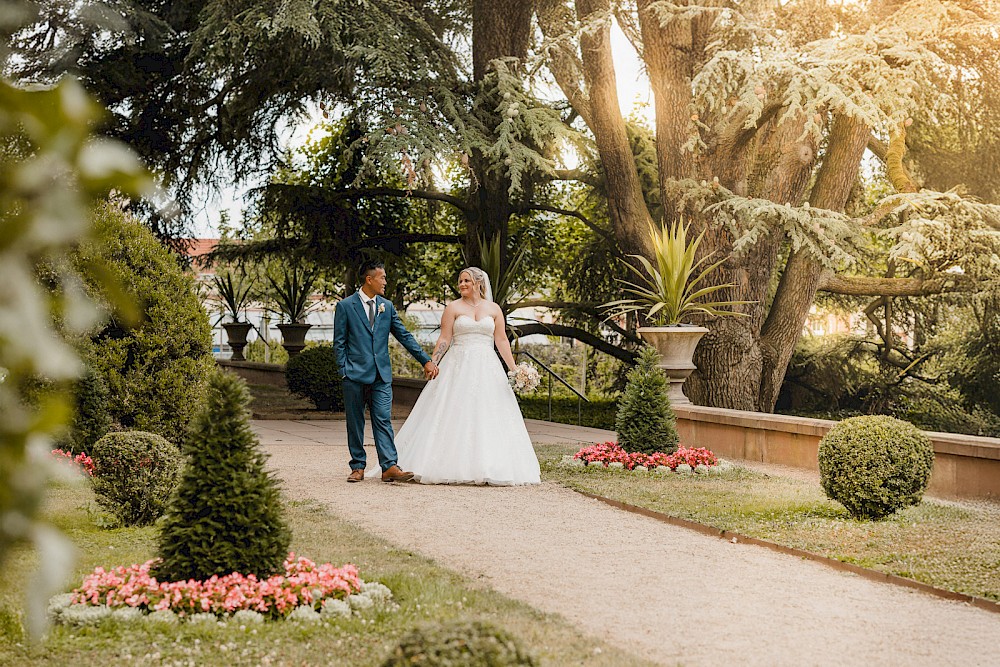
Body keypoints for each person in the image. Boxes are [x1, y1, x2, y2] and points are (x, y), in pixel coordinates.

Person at [396, 267, 541, 485]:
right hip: (458, 364)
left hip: (487, 366)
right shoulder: (453, 308)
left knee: (488, 413)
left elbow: (500, 340)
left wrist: (514, 369)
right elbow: (445, 338)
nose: (462, 284)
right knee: (453, 411)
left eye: (467, 281)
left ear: (478, 283)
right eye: (460, 281)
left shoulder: (493, 309)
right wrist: (433, 363)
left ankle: (489, 465)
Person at [333, 260, 439, 483]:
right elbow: (339, 342)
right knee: (355, 422)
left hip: (381, 375)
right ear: (369, 279)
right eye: (382, 277)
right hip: (354, 374)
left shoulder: (387, 306)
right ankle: (357, 466)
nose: (385, 282)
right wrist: (344, 370)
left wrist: (425, 360)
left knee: (383, 419)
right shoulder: (345, 306)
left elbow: (404, 336)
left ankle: (389, 466)